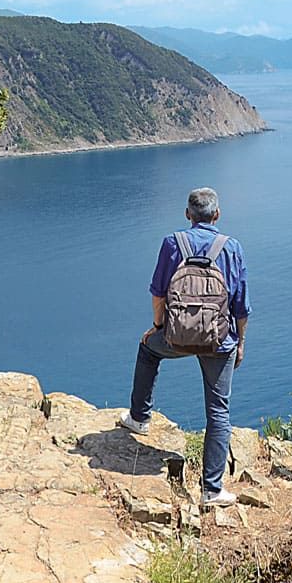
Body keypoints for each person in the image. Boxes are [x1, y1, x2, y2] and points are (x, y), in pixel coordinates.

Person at [117, 186, 249, 506]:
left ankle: (139, 418)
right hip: (219, 341)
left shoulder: (172, 243)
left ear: (188, 214)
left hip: (176, 336)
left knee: (148, 349)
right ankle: (212, 490)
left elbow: (158, 294)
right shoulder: (232, 248)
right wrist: (240, 342)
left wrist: (158, 327)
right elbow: (241, 306)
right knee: (218, 412)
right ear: (217, 215)